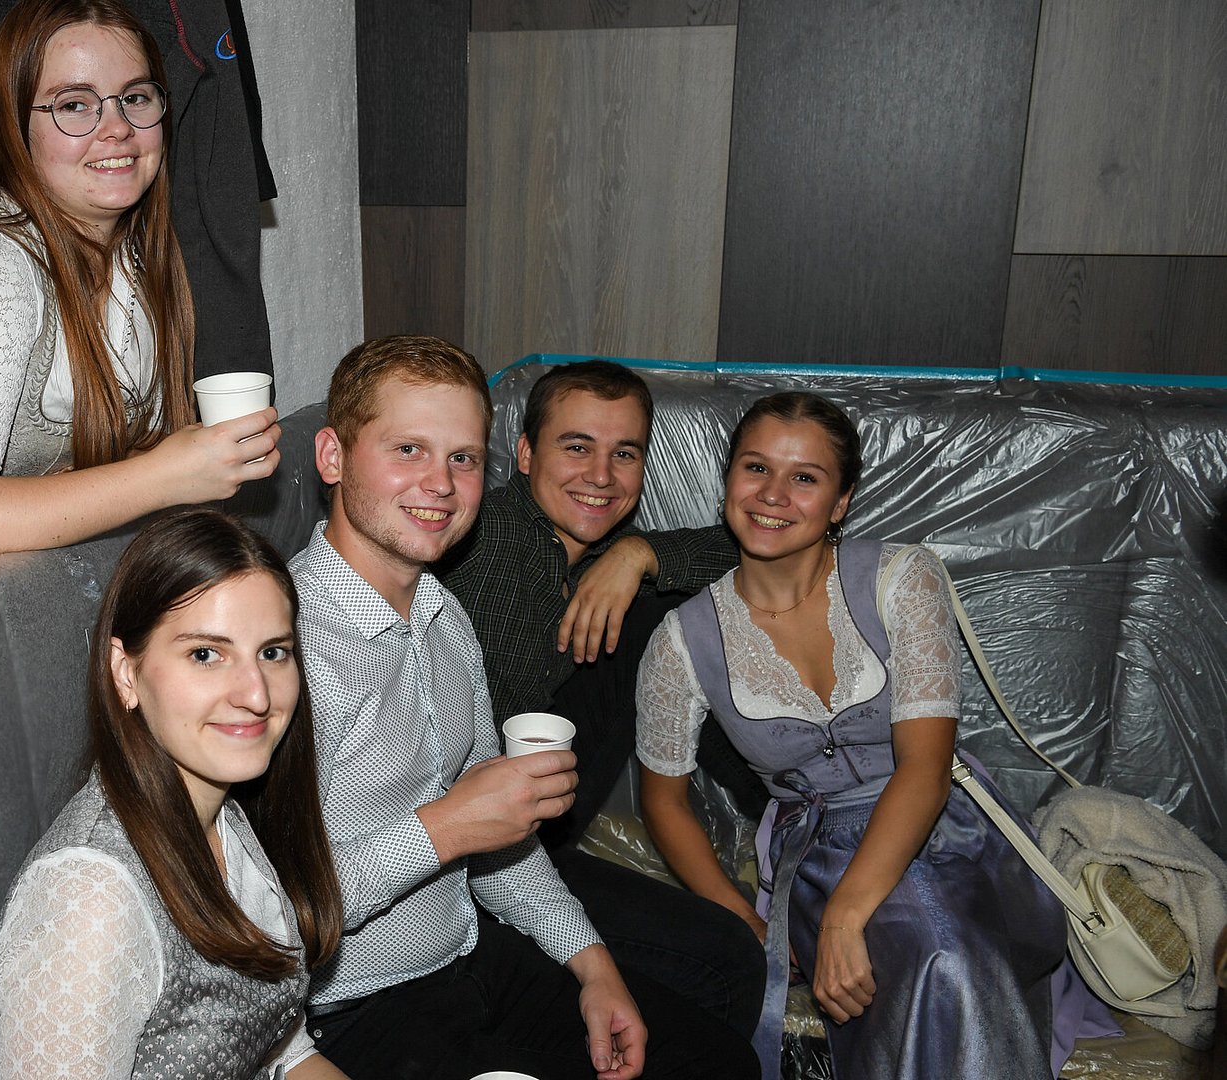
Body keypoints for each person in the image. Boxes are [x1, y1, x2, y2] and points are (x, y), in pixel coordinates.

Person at [288, 335, 758, 1080]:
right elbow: (262, 916)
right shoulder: (279, 646)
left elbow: (499, 839)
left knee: (718, 1063)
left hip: (472, 957)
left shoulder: (443, 617)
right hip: (348, 1009)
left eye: (463, 458)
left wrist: (593, 965)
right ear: (332, 457)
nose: (440, 485)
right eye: (408, 450)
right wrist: (445, 829)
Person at [635, 392, 1116, 1079]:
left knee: (947, 955)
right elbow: (664, 801)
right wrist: (744, 918)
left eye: (805, 477)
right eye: (756, 467)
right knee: (937, 961)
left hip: (951, 831)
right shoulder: (680, 641)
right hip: (815, 856)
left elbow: (925, 768)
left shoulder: (902, 577)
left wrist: (845, 918)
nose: (773, 494)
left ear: (840, 502)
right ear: (729, 481)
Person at [0, 0, 280, 626]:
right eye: (74, 105)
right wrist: (167, 474)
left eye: (135, 98)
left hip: (45, 615)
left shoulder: (136, 255)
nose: (116, 128)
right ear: (16, 125)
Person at [437, 360, 765, 1036]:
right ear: (524, 455)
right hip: (471, 856)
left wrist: (637, 555)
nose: (601, 476)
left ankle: (783, 817)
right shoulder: (479, 538)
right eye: (577, 447)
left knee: (665, 614)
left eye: (625, 454)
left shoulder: (606, 546)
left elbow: (764, 549)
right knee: (728, 958)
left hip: (544, 819)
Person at [0, 506, 348, 1079]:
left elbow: (284, 1048)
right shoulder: (91, 901)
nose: (257, 695)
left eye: (273, 652)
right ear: (125, 672)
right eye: (206, 654)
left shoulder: (223, 811)